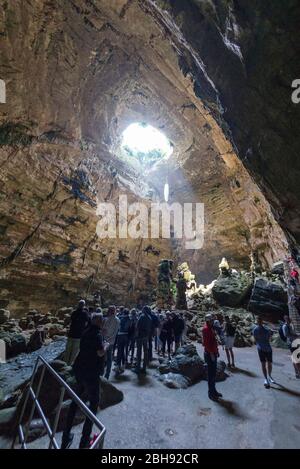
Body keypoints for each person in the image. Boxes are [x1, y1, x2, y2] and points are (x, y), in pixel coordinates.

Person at [61, 313, 109, 449]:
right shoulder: (97, 335)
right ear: (99, 322)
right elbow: (100, 352)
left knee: (75, 402)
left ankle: (66, 435)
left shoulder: (86, 331)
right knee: (93, 405)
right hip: (91, 374)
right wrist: (106, 345)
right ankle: (84, 441)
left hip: (80, 370)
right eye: (102, 321)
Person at [202, 314, 222, 401]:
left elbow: (213, 340)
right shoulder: (206, 329)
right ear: (208, 320)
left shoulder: (210, 328)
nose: (213, 321)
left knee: (213, 374)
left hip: (213, 353)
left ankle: (214, 390)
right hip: (209, 354)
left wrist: (216, 352)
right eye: (212, 320)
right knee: (211, 375)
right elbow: (206, 343)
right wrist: (211, 354)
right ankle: (211, 393)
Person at [64, 300, 89, 365]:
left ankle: (64, 364)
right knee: (74, 353)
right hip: (78, 335)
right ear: (84, 306)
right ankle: (69, 366)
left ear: (78, 305)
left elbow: (71, 321)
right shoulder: (85, 313)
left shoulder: (74, 312)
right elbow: (86, 324)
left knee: (67, 351)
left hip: (71, 334)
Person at [253, 317, 274, 388]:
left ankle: (270, 376)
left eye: (260, 320)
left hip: (268, 348)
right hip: (261, 348)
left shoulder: (266, 329)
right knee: (263, 363)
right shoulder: (255, 330)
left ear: (262, 321)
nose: (259, 322)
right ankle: (266, 378)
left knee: (269, 363)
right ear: (257, 321)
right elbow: (256, 340)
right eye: (258, 320)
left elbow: (269, 337)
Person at [133, 305, 153, 374]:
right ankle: (144, 368)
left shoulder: (142, 317)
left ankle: (138, 368)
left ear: (144, 310)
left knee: (139, 352)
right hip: (146, 337)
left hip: (140, 336)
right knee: (145, 352)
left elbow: (137, 327)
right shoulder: (150, 317)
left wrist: (136, 335)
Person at [102, 305, 119, 380]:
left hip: (105, 341)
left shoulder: (106, 319)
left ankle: (101, 373)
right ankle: (107, 375)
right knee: (109, 358)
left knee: (102, 357)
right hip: (111, 341)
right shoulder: (117, 320)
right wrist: (110, 338)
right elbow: (115, 332)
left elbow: (103, 330)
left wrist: (105, 339)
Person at [115, 308, 131, 374]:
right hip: (126, 336)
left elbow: (118, 327)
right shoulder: (130, 319)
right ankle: (123, 364)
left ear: (123, 312)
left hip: (120, 335)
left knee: (119, 350)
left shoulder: (120, 318)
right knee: (124, 350)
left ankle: (118, 365)